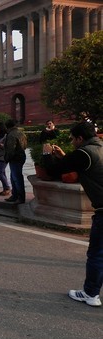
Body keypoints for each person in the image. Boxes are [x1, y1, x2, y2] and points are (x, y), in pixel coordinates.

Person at [43, 122, 102, 307]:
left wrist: (46, 153)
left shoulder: (84, 153)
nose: (71, 140)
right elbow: (82, 166)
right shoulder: (98, 148)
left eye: (72, 138)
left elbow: (52, 172)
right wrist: (63, 156)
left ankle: (91, 294)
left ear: (79, 138)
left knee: (97, 254)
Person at [4, 119, 27, 204]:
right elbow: (24, 145)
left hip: (15, 158)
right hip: (21, 156)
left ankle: (20, 197)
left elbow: (10, 150)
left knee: (17, 178)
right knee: (14, 177)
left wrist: (6, 158)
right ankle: (15, 195)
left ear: (7, 127)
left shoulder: (11, 135)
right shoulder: (20, 133)